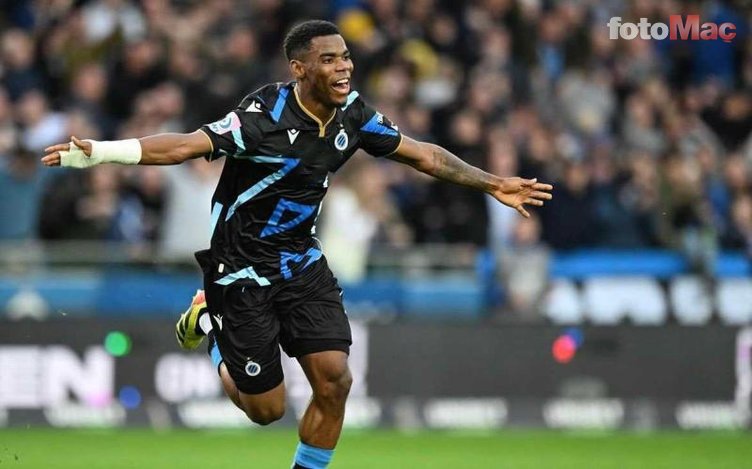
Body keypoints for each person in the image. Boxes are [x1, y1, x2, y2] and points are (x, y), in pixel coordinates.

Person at [42, 20, 553, 469]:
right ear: (299, 69)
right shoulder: (263, 115)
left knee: (335, 381)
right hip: (240, 269)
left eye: (346, 56)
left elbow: (423, 155)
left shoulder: (353, 114)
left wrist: (493, 183)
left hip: (300, 263)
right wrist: (100, 152)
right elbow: (184, 146)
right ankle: (208, 321)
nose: (344, 67)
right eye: (329, 59)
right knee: (265, 410)